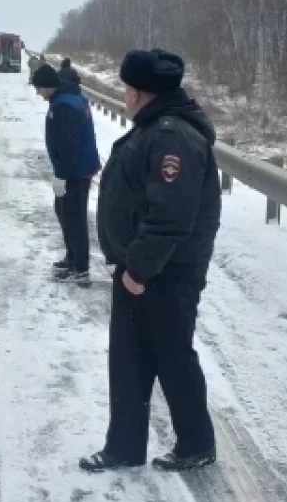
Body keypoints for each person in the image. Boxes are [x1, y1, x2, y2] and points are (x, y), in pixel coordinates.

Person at [81, 48, 221, 474]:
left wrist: (140, 269)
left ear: (140, 93)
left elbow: (170, 215)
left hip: (164, 272)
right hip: (143, 268)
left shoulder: (170, 137)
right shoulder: (157, 129)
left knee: (171, 357)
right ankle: (123, 447)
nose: (125, 95)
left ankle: (196, 443)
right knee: (129, 360)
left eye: (127, 88)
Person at [30, 62, 101, 284]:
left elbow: (70, 145)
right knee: (64, 212)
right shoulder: (68, 99)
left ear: (48, 86)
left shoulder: (63, 106)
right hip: (77, 169)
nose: (38, 93)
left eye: (38, 88)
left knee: (74, 218)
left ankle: (80, 268)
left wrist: (62, 175)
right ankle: (72, 259)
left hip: (75, 171)